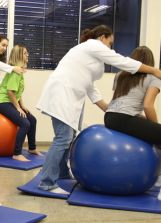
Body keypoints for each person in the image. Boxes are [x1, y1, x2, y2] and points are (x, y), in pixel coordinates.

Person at [36, 25, 161, 194]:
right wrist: (154, 70)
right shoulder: (94, 45)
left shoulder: (89, 54)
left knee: (69, 137)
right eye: (110, 43)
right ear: (102, 37)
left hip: (73, 96)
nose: (110, 48)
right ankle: (47, 182)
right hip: (63, 92)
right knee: (62, 138)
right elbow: (122, 61)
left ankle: (63, 173)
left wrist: (102, 104)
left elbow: (89, 82)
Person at [104, 46, 161, 197]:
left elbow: (125, 109)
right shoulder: (154, 77)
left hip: (110, 117)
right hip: (123, 118)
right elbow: (148, 106)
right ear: (150, 62)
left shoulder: (120, 75)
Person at [0, 45, 43, 161]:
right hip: (2, 102)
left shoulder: (18, 70)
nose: (27, 55)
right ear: (19, 55)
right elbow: (10, 91)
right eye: (25, 53)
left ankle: (32, 148)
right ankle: (17, 153)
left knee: (32, 120)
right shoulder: (15, 71)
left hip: (11, 101)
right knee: (25, 123)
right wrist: (17, 107)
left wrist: (22, 106)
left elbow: (17, 92)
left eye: (27, 53)